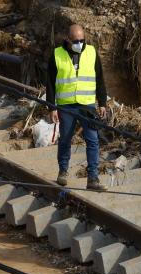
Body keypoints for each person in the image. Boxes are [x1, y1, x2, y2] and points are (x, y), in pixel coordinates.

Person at [46, 24, 108, 191]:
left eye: (82, 40)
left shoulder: (91, 52)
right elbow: (50, 83)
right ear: (68, 39)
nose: (79, 43)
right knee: (65, 139)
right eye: (76, 41)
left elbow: (100, 79)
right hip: (66, 106)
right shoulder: (57, 54)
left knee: (93, 140)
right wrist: (51, 107)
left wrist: (102, 103)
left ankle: (93, 178)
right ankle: (63, 171)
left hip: (87, 104)